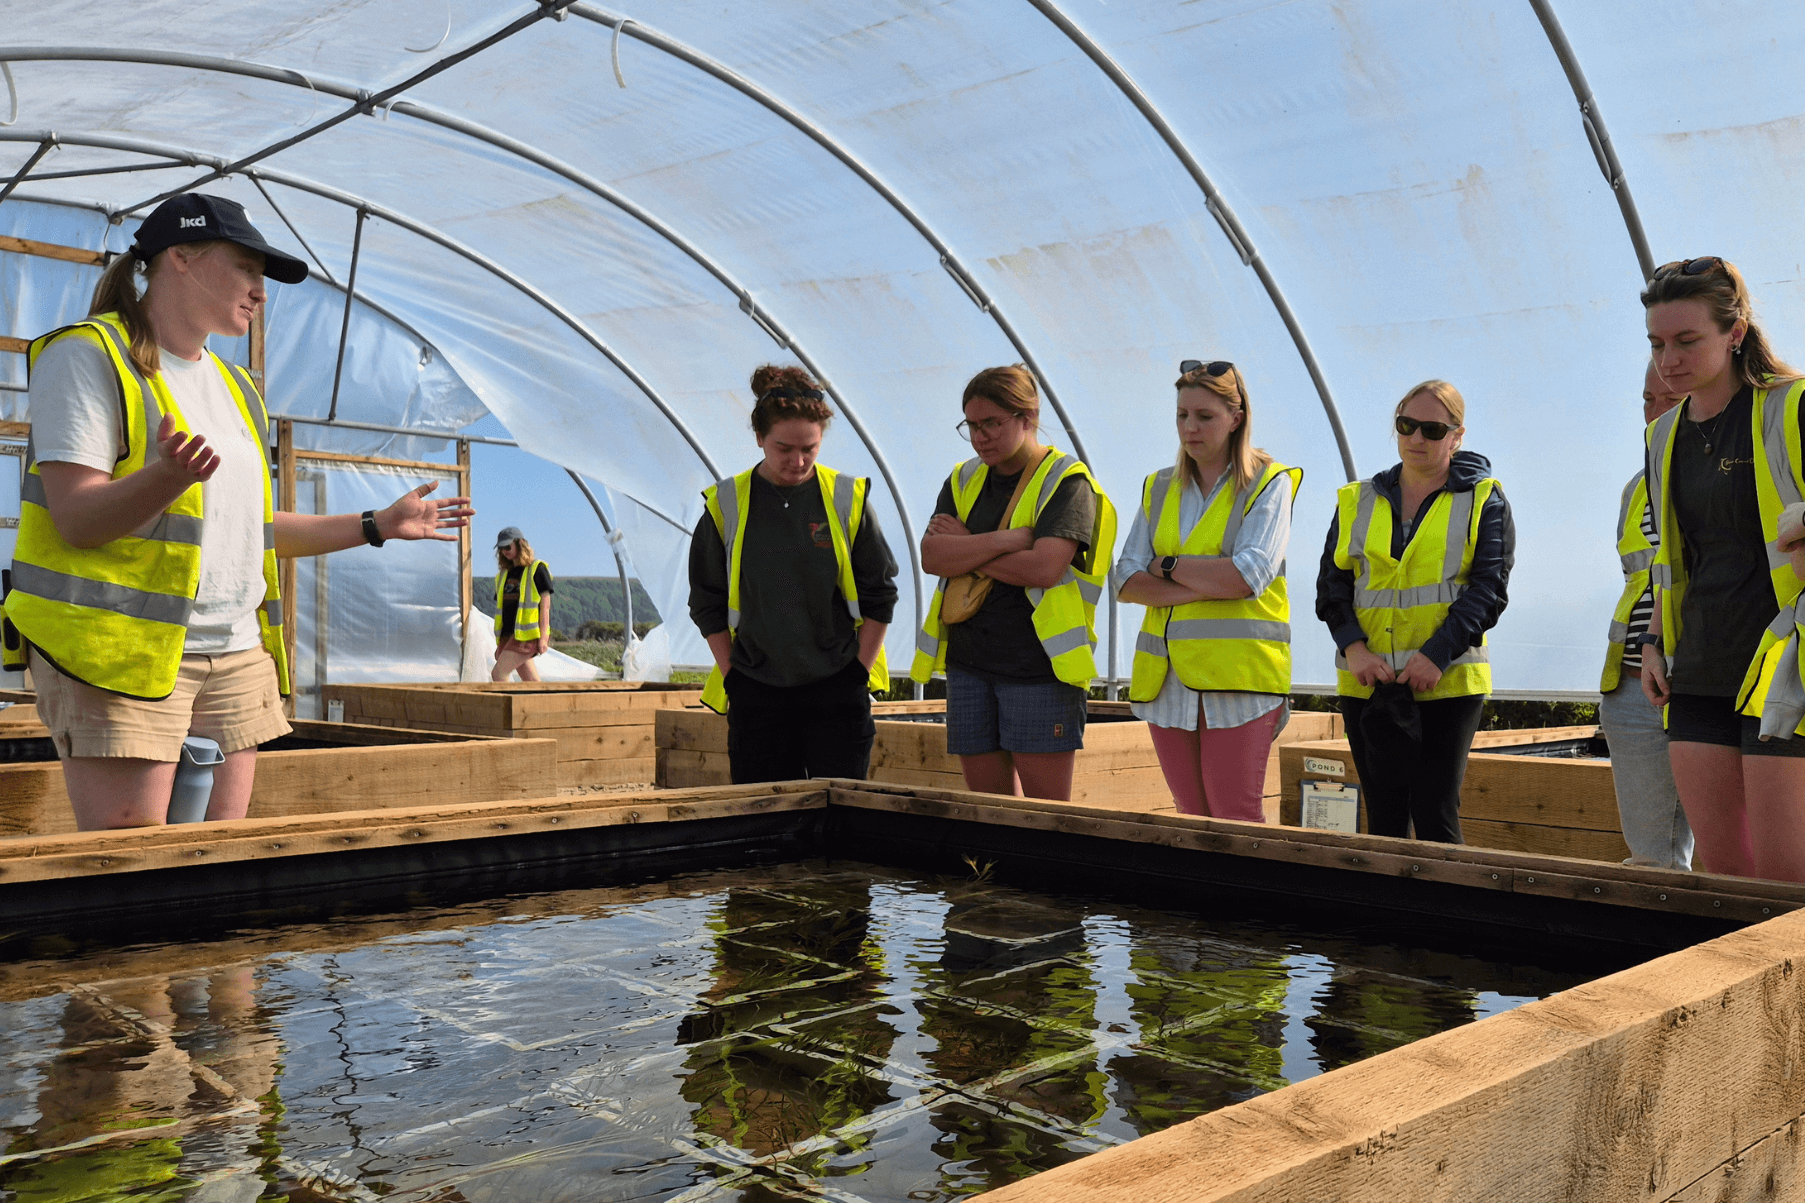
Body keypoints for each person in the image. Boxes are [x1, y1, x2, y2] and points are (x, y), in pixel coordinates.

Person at [6, 193, 473, 831]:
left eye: (263, 278)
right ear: (181, 257)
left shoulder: (236, 387)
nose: (260, 292)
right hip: (118, 656)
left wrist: (376, 525)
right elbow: (78, 518)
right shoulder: (88, 355)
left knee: (218, 854)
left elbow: (252, 532)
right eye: (247, 270)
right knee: (134, 867)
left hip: (235, 652)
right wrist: (165, 479)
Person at [1641, 257, 1805, 882]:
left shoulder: (1791, 407)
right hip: (1698, 672)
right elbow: (1671, 558)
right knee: (1725, 894)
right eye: (1657, 344)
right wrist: (1654, 643)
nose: (1669, 360)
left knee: (1782, 896)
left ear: (1735, 333)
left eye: (1687, 341)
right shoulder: (1663, 436)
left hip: (1787, 673)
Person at [1316, 380, 1514, 843]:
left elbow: (1489, 590)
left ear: (1457, 436)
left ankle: (1446, 916)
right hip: (1368, 681)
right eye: (1406, 425)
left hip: (1448, 684)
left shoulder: (1485, 499)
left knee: (1435, 811)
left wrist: (1437, 655)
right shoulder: (1355, 500)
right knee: (1383, 816)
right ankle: (1390, 916)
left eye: (1431, 429)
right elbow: (1331, 587)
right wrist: (1355, 649)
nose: (1416, 439)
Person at [913, 364, 1117, 801]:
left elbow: (1043, 568)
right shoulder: (964, 478)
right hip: (969, 666)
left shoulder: (1066, 481)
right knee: (989, 810)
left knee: (1046, 817)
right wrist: (1003, 541)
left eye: (992, 423)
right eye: (972, 425)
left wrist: (967, 551)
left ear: (1028, 418)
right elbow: (933, 557)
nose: (981, 435)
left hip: (1038, 668)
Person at [688, 365, 898, 783]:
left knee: (840, 816)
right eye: (784, 448)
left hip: (838, 687)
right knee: (764, 817)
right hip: (757, 691)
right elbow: (706, 601)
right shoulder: (726, 504)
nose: (797, 461)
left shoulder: (847, 498)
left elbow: (880, 594)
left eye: (810, 448)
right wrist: (735, 679)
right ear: (759, 438)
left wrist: (858, 671)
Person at [1113, 360, 1300, 821]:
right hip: (1167, 682)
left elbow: (1247, 576)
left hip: (1239, 682)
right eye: (1182, 416)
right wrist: (1208, 581)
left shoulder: (1267, 482)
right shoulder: (1159, 486)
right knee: (1190, 816)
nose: (1190, 428)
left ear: (1236, 419)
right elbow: (1125, 580)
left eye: (1204, 416)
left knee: (1235, 817)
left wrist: (1170, 567)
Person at [1597, 364, 1692, 869]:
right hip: (1633, 685)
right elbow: (1641, 581)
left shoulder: (1733, 471)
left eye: (1671, 400)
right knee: (1652, 858)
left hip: (1703, 681)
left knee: (1734, 865)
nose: (1655, 412)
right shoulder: (1635, 488)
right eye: (1648, 400)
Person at [491, 526, 552, 682]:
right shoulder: (503, 575)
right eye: (501, 548)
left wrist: (544, 637)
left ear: (521, 544)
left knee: (498, 674)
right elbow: (503, 609)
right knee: (531, 682)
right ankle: (542, 706)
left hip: (526, 637)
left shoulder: (536, 569)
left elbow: (545, 606)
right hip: (508, 635)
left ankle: (507, 706)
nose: (504, 551)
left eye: (508, 546)